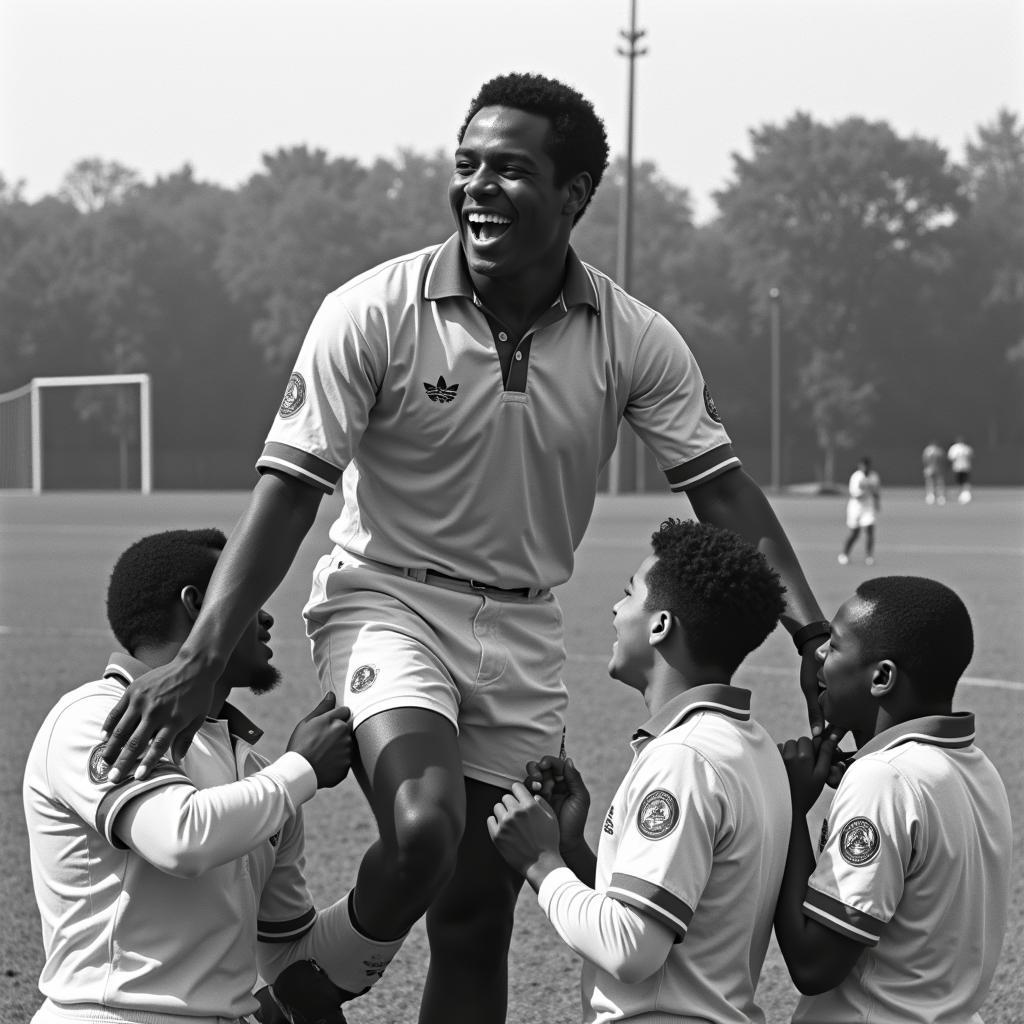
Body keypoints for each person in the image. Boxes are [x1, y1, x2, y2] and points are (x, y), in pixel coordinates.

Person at [98, 73, 830, 1024]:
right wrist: (200, 658)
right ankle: (302, 995)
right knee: (425, 826)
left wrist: (813, 637)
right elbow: (288, 494)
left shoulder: (635, 337)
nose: (479, 187)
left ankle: (299, 994)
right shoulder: (372, 311)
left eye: (511, 170)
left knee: (478, 918)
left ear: (573, 195)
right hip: (386, 602)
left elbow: (722, 488)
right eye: (468, 165)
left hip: (522, 628)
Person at [22, 528, 359, 1024]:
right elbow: (181, 839)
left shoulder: (255, 773)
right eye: (249, 597)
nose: (266, 617)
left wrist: (400, 883)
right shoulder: (95, 716)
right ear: (197, 604)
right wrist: (303, 768)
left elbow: (289, 955)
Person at [487, 518, 792, 1022]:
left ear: (660, 625)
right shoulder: (750, 745)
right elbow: (673, 919)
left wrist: (541, 863)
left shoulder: (683, 760)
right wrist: (571, 850)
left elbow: (632, 950)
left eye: (629, 594)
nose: (614, 608)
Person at [773, 576, 1012, 1023]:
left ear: (881, 677)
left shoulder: (883, 779)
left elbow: (814, 965)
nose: (818, 654)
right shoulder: (975, 765)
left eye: (835, 645)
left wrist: (789, 808)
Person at [838, 456, 881, 565]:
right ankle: (844, 554)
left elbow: (876, 492)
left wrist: (877, 503)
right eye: (863, 466)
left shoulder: (874, 476)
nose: (865, 468)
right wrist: (866, 487)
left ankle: (869, 556)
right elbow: (855, 495)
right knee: (855, 533)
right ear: (860, 466)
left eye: (867, 466)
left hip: (868, 507)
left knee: (870, 529)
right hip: (856, 508)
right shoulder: (856, 477)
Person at [947, 435, 975, 503]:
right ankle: (965, 495)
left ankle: (963, 495)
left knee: (960, 482)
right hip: (965, 467)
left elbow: (951, 457)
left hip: (958, 467)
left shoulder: (954, 448)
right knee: (965, 481)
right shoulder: (966, 448)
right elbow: (971, 456)